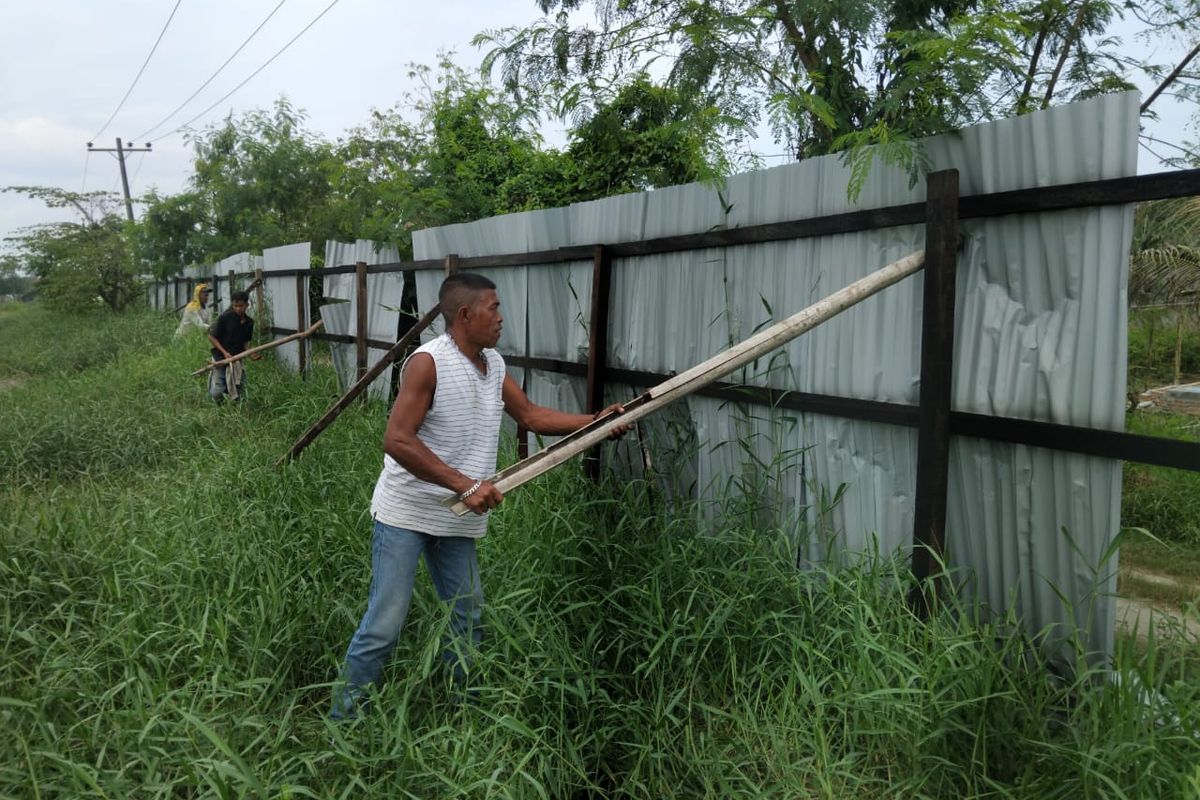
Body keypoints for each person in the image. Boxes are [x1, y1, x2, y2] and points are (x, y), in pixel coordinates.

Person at [331, 272, 630, 720]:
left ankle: (464, 715)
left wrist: (596, 421)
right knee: (386, 623)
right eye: (494, 308)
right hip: (406, 512)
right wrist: (466, 485)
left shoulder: (494, 365)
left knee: (468, 616)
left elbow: (530, 414)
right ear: (465, 314)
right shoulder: (428, 362)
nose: (501, 317)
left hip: (457, 516)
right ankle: (345, 718)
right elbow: (397, 440)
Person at [206, 290, 260, 404]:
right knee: (216, 392)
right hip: (220, 358)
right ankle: (219, 408)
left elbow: (245, 343)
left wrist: (251, 354)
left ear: (247, 305)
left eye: (241, 306)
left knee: (239, 389)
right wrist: (225, 353)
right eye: (235, 306)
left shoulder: (249, 322)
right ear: (232, 305)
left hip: (236, 359)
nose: (238, 308)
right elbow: (211, 337)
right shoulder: (226, 317)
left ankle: (237, 411)